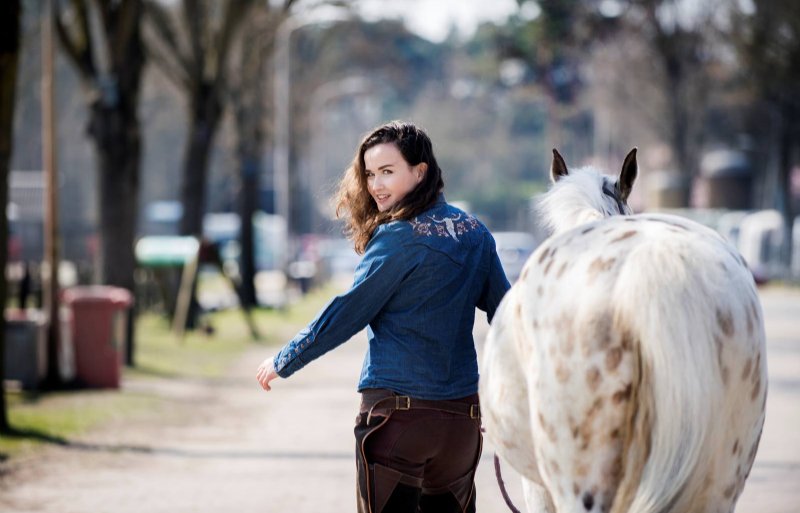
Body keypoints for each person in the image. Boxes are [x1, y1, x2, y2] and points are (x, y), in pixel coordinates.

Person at [256, 120, 510, 513]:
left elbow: (348, 312)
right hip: (461, 426)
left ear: (420, 171)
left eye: (387, 172)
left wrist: (284, 359)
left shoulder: (398, 236)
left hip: (399, 421)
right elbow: (508, 318)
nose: (375, 185)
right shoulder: (475, 233)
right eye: (370, 174)